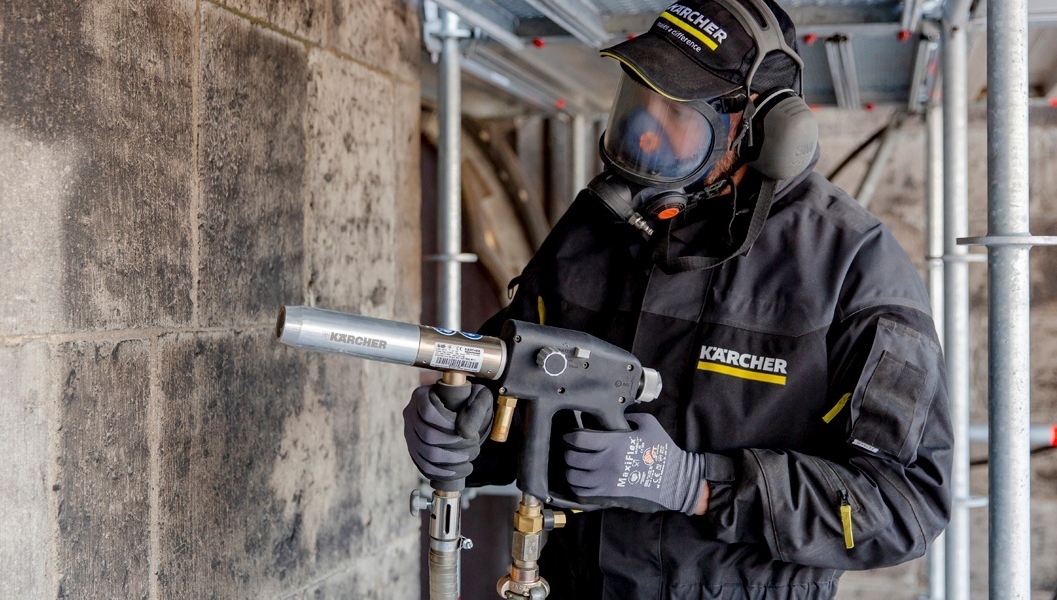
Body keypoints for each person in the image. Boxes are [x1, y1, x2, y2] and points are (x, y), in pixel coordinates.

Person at [403, 0, 953, 597]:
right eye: (639, 100)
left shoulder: (853, 267)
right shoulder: (600, 231)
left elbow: (907, 503)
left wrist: (697, 485)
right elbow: (521, 375)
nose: (645, 130)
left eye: (676, 113)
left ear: (764, 132)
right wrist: (470, 427)